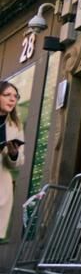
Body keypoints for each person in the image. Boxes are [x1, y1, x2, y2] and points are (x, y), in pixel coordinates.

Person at [0, 80, 24, 245]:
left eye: (15, 96)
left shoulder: (15, 125)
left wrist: (14, 154)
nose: (12, 99)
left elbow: (18, 162)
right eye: (7, 95)